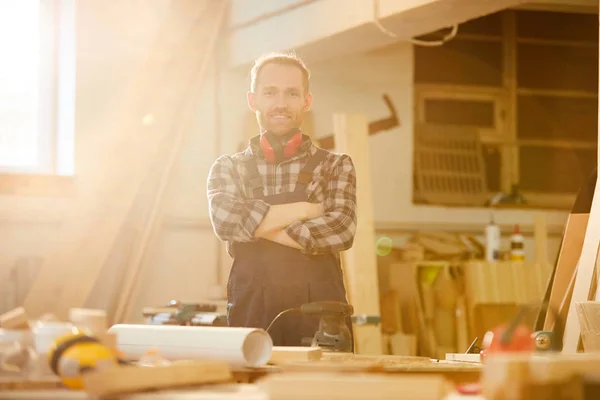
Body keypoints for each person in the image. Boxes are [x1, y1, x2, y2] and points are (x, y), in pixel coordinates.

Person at [207, 52, 357, 347]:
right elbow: (225, 222)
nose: (280, 103)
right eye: (270, 92)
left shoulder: (336, 165)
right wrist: (304, 210)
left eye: (291, 93)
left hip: (321, 319)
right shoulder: (228, 167)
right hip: (251, 316)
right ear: (253, 101)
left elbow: (341, 229)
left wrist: (255, 228)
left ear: (306, 101)